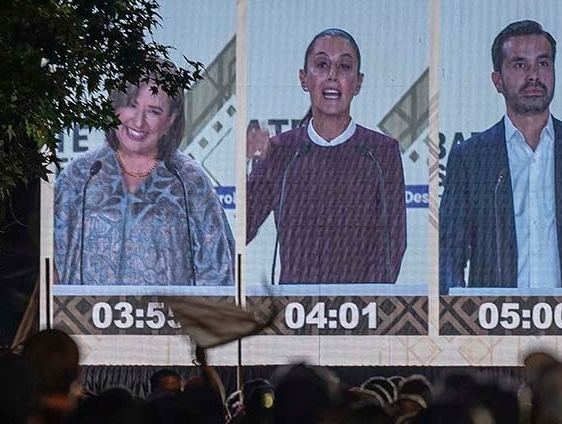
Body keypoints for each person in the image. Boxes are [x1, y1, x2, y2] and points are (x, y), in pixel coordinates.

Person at [439, 20, 562, 292]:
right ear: (497, 81)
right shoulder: (470, 158)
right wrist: (459, 310)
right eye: (520, 65)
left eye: (543, 63)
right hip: (494, 323)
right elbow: (449, 252)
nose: (534, 75)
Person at [246, 28, 407, 284]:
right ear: (303, 78)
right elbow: (241, 230)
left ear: (358, 82)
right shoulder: (280, 152)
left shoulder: (381, 152)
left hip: (360, 312)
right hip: (294, 311)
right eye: (321, 65)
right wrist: (248, 165)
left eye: (344, 67)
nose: (332, 76)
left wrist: (367, 305)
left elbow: (393, 246)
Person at [54, 77, 235, 286]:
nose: (138, 122)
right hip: (84, 317)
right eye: (131, 106)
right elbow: (48, 263)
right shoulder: (80, 176)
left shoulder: (190, 181)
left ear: (171, 119)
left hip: (171, 317)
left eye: (154, 111)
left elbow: (218, 273)